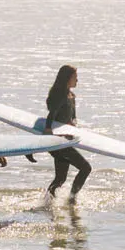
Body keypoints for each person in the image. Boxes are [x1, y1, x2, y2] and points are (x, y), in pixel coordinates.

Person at [43, 63, 93, 200]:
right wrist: (48, 132)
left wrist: (73, 126)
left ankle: (47, 202)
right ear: (67, 78)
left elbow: (72, 118)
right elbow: (52, 114)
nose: (77, 80)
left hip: (65, 140)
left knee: (60, 178)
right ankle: (72, 199)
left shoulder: (71, 95)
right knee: (86, 168)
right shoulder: (60, 95)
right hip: (58, 141)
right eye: (75, 77)